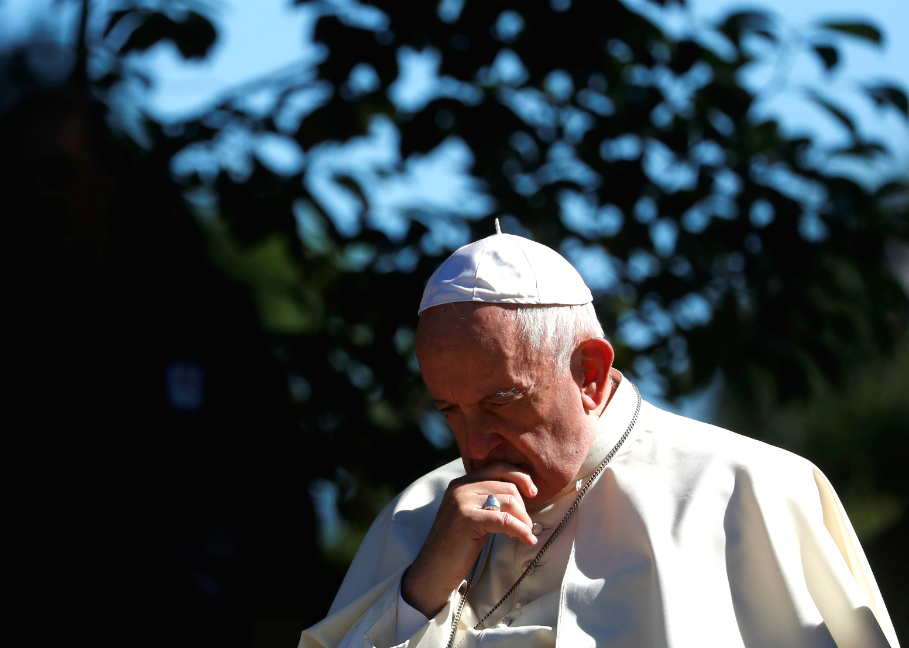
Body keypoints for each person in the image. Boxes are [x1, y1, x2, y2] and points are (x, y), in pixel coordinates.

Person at [299, 223, 900, 648]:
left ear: (588, 371)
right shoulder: (418, 515)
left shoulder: (751, 490)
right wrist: (421, 591)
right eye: (450, 410)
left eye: (501, 402)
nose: (475, 446)